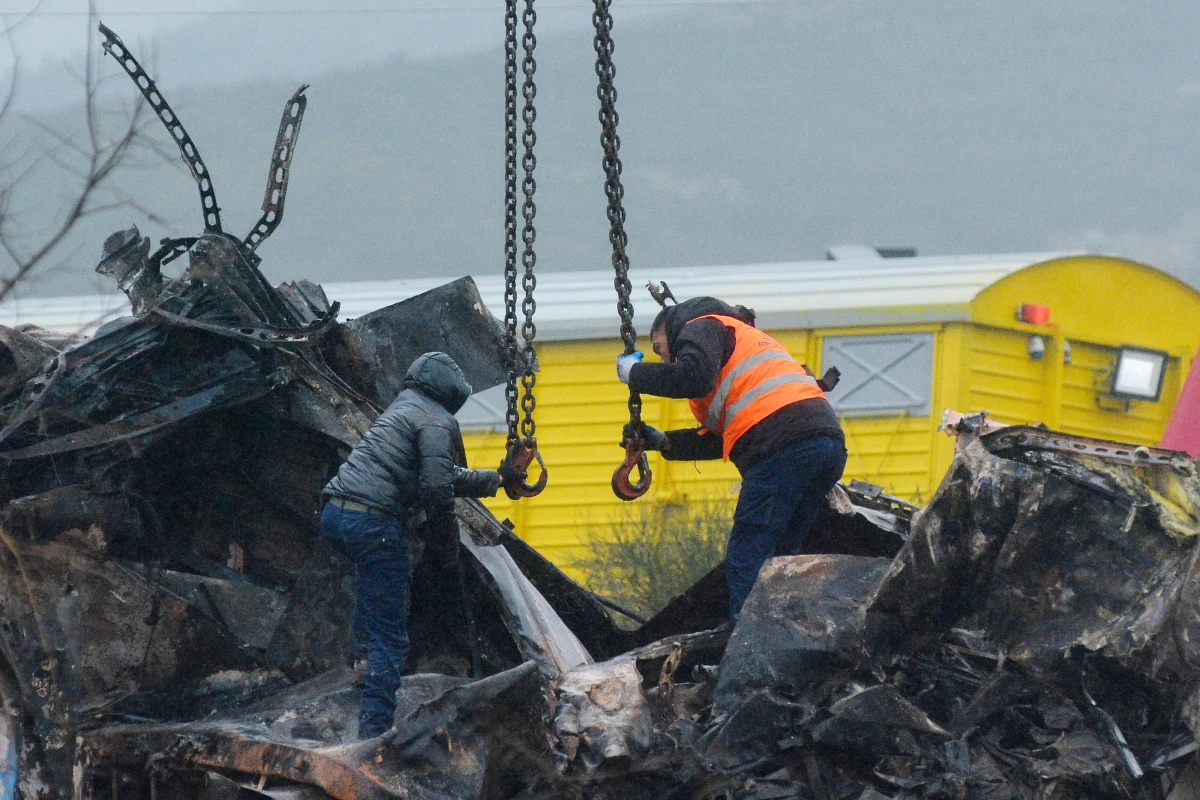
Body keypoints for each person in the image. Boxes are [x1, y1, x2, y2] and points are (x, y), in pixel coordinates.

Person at [321, 351, 521, 739]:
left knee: (370, 581)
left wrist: (498, 479)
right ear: (453, 394)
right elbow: (436, 488)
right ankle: (374, 735)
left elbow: (438, 474)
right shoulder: (437, 419)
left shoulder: (403, 408)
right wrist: (443, 545)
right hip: (373, 523)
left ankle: (363, 669)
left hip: (335, 515)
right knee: (391, 636)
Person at [616, 297, 847, 621]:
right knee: (782, 560)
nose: (664, 358)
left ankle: (749, 657)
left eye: (659, 348)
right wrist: (665, 442)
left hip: (783, 448)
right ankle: (786, 643)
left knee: (747, 558)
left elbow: (692, 378)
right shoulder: (737, 344)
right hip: (825, 445)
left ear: (670, 327)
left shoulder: (698, 324)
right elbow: (728, 435)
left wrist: (635, 373)